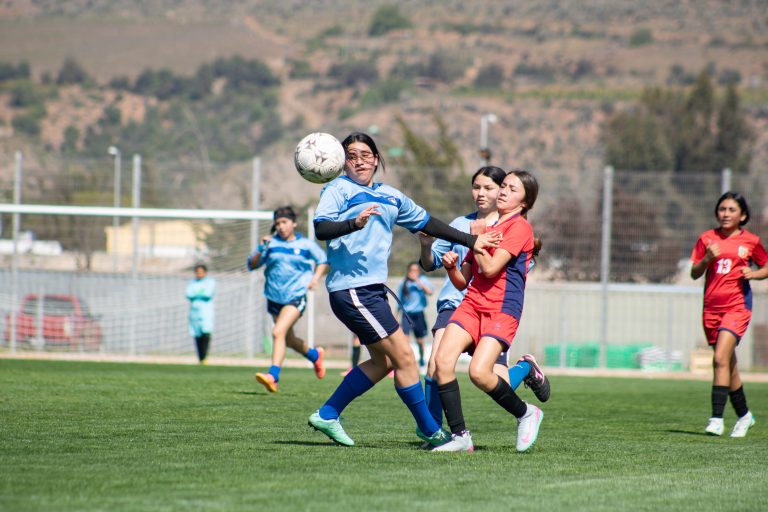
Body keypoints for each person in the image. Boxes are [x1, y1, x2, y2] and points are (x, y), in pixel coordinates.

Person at [306, 131, 501, 447]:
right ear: (341, 162)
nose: (359, 161)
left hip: (370, 291)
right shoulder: (338, 189)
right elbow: (321, 227)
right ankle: (431, 430)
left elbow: (429, 223)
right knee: (406, 358)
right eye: (351, 156)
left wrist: (471, 240)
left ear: (377, 158)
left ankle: (328, 414)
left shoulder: (391, 196)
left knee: (383, 363)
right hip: (353, 290)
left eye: (366, 155)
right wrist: (352, 224)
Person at [418, 167, 550, 435]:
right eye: (477, 187)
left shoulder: (517, 228)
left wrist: (477, 241)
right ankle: (445, 433)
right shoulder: (474, 226)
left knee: (484, 375)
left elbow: (492, 269)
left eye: (507, 188)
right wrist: (450, 265)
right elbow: (461, 279)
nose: (491, 192)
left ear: (524, 202)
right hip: (465, 303)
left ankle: (526, 403)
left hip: (499, 309)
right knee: (439, 363)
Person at [690, 192, 768, 438]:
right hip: (710, 309)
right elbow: (694, 272)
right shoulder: (707, 239)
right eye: (722, 209)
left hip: (737, 307)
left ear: (742, 215)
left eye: (732, 210)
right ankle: (745, 416)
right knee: (728, 364)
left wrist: (754, 275)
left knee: (720, 358)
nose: (725, 213)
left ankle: (716, 419)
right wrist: (706, 259)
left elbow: (766, 265)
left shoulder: (751, 241)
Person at [248, 206, 330, 393]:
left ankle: (273, 376)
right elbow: (252, 265)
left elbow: (323, 260)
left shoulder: (306, 245)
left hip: (295, 296)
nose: (281, 226)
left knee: (278, 332)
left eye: (284, 222)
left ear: (293, 223)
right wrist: (261, 248)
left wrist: (315, 279)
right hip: (274, 298)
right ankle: (314, 354)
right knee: (289, 339)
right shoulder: (270, 244)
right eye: (277, 223)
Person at [397, 262, 433, 371]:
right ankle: (408, 364)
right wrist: (396, 317)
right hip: (407, 314)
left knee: (420, 341)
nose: (413, 273)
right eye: (411, 270)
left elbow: (430, 292)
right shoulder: (403, 283)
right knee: (405, 340)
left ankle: (422, 360)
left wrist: (418, 281)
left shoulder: (423, 280)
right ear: (408, 271)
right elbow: (399, 301)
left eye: (416, 270)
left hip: (419, 314)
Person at [185, 264, 216, 365]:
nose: (199, 274)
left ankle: (204, 357)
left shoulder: (210, 282)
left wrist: (196, 294)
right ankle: (200, 357)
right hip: (194, 311)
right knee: (196, 333)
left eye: (201, 272)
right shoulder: (192, 283)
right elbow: (188, 294)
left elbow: (207, 294)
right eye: (197, 272)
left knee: (206, 332)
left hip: (206, 311)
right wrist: (200, 293)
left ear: (205, 273)